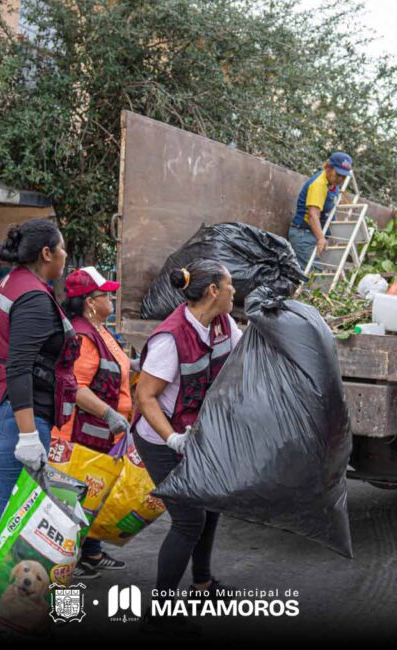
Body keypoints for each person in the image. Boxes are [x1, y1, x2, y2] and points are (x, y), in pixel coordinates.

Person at [133, 259, 243, 626]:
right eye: (230, 285)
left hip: (197, 434)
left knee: (210, 506)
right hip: (161, 437)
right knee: (188, 520)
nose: (234, 292)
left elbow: (247, 358)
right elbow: (145, 398)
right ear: (213, 290)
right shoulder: (171, 337)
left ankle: (202, 585)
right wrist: (172, 438)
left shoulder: (225, 324)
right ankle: (161, 612)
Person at [0, 218, 79, 550]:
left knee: (5, 509)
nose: (64, 255)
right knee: (9, 513)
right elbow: (18, 367)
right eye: (61, 248)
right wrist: (29, 436)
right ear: (47, 253)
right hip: (12, 416)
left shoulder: (12, 283)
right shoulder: (33, 297)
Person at [59, 266, 132, 579]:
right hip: (81, 435)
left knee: (92, 494)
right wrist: (109, 414)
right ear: (90, 301)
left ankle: (90, 553)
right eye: (106, 294)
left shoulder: (99, 329)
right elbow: (75, 386)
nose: (112, 297)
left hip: (99, 435)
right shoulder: (83, 334)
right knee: (77, 499)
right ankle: (68, 560)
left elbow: (116, 367)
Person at [287, 151, 354, 270]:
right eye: (338, 174)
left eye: (344, 176)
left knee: (319, 274)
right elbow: (313, 214)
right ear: (328, 167)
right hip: (304, 235)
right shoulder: (319, 184)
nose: (341, 179)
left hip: (314, 235)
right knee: (313, 276)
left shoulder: (332, 184)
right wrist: (321, 238)